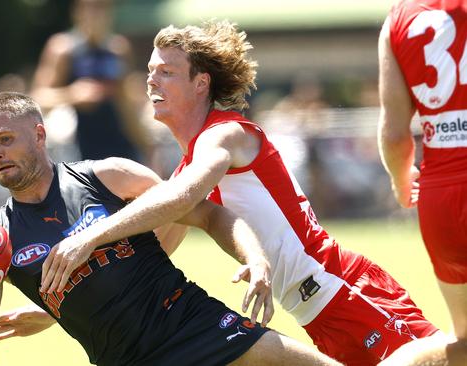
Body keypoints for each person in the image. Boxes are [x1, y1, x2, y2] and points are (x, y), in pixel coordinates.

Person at [34, 20, 442, 366]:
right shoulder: (187, 166)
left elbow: (178, 199)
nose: (150, 80)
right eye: (149, 71)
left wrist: (87, 237)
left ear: (201, 83)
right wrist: (56, 308)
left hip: (344, 289)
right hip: (316, 316)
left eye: (166, 72)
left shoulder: (225, 135)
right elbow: (145, 257)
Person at [0, 91, 341, 366]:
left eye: (6, 140)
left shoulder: (107, 177)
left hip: (194, 324)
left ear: (40, 135)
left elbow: (208, 213)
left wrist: (255, 258)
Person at [377, 0, 467, 364]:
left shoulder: (399, 17)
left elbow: (395, 133)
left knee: (462, 341)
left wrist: (401, 183)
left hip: (441, 196)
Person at [30, 0, 147, 162]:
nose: (95, 13)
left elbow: (128, 105)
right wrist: (73, 95)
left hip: (120, 147)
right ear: (77, 11)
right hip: (78, 149)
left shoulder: (119, 49)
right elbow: (38, 98)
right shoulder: (62, 48)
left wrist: (147, 146)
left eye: (101, 7)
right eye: (89, 6)